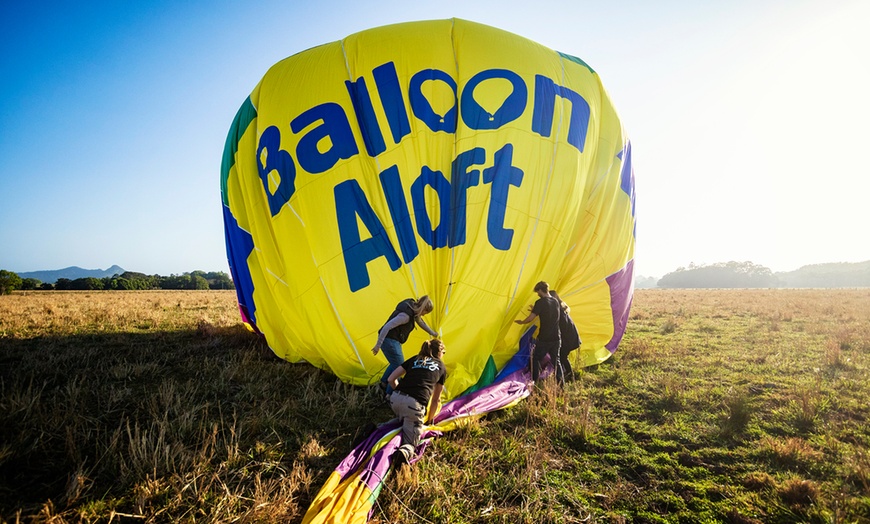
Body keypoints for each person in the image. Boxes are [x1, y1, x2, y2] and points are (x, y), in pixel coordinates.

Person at [387, 339, 447, 467]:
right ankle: (404, 452)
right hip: (414, 405)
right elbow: (436, 399)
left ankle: (376, 429)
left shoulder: (414, 359)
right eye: (444, 352)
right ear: (439, 352)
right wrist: (430, 421)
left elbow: (391, 379)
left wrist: (399, 392)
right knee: (411, 441)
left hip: (395, 399)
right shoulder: (441, 367)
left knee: (402, 419)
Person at [372, 296, 438, 394]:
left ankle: (383, 384)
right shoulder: (405, 316)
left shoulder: (413, 308)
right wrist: (378, 345)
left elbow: (420, 322)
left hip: (394, 341)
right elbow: (387, 327)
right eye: (425, 313)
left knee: (395, 364)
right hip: (389, 341)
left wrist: (433, 333)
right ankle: (389, 394)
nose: (424, 315)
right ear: (423, 309)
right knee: (400, 369)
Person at [515, 281, 564, 386]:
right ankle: (561, 384)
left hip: (545, 338)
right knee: (556, 360)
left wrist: (522, 322)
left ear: (541, 290)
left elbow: (530, 318)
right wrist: (536, 310)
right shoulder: (555, 301)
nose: (537, 294)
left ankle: (535, 382)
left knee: (535, 358)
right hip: (557, 337)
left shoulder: (540, 302)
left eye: (538, 292)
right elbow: (549, 313)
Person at [550, 290, 581, 382]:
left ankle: (570, 376)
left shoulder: (558, 311)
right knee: (563, 357)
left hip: (568, 339)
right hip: (571, 337)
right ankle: (570, 374)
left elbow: (562, 327)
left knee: (562, 357)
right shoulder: (561, 308)